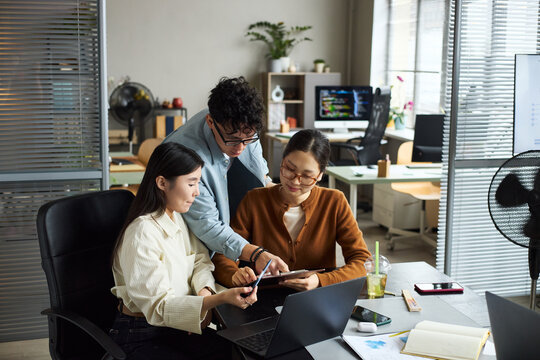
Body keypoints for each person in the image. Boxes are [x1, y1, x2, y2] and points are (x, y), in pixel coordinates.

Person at [109, 142, 258, 359]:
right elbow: (159, 308)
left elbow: (200, 260)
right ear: (162, 182)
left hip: (174, 327)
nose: (197, 192)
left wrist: (204, 292)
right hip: (140, 333)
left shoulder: (176, 216)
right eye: (191, 183)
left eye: (198, 183)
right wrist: (216, 300)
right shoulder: (142, 232)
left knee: (235, 352)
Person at [212, 129, 371, 291]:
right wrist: (235, 274)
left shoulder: (334, 201)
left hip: (318, 298)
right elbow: (223, 255)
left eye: (307, 176)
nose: (295, 181)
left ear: (321, 175)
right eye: (289, 169)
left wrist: (320, 280)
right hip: (263, 299)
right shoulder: (254, 200)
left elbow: (363, 262)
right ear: (282, 161)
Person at [164, 76, 289, 275]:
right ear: (211, 122)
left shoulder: (244, 124)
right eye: (232, 139)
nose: (240, 147)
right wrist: (255, 254)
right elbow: (208, 226)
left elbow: (260, 174)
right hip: (197, 240)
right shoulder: (186, 157)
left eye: (248, 139)